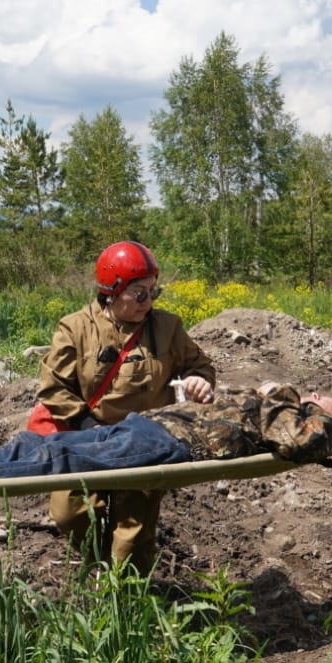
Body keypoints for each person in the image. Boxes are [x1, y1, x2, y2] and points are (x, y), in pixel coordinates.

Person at [38, 241, 217, 572]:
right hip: (88, 440)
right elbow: (53, 387)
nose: (148, 302)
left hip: (144, 443)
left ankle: (127, 602)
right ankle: (96, 564)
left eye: (153, 292)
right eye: (139, 293)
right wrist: (89, 429)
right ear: (111, 293)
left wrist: (199, 381)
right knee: (69, 512)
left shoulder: (167, 327)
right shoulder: (75, 329)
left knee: (132, 538)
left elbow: (200, 365)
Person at [0, 385, 332, 485]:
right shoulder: (279, 402)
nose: (317, 395)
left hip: (169, 446)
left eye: (322, 402)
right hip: (150, 428)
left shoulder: (298, 418)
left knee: (55, 464)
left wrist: (324, 417)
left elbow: (303, 442)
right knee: (41, 446)